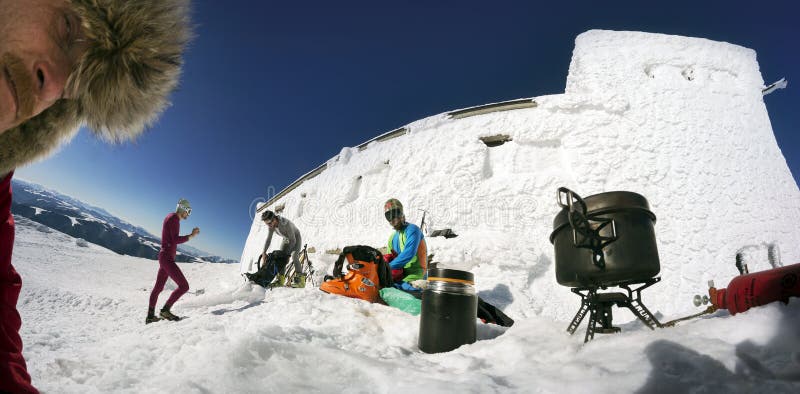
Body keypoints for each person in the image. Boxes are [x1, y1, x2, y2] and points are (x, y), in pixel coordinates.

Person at [0, 0, 191, 392]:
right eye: (68, 27)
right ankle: (156, 312)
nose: (52, 88)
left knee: (166, 285)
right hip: (165, 256)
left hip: (164, 257)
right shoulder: (172, 222)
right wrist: (184, 242)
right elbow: (168, 242)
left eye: (71, 89)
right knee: (177, 286)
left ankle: (155, 311)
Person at [146, 199, 200, 323]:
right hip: (167, 258)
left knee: (158, 288)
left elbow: (171, 239)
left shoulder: (170, 217)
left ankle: (150, 316)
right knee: (184, 286)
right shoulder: (174, 219)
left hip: (164, 257)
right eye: (188, 211)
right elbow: (175, 240)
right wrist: (191, 235)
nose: (188, 214)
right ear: (183, 209)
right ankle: (165, 310)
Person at [384, 198, 427, 291]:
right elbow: (390, 258)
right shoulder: (392, 238)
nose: (392, 219)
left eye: (395, 214)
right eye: (388, 216)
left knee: (397, 290)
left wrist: (386, 267)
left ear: (402, 214)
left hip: (416, 275)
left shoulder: (412, 229)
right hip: (400, 277)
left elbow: (409, 253)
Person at [260, 210, 305, 288]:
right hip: (286, 238)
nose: (269, 225)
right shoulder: (271, 226)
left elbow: (293, 240)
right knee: (280, 257)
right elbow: (268, 239)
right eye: (266, 224)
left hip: (295, 237)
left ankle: (301, 281)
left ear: (274, 219)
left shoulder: (286, 224)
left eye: (270, 223)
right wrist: (264, 252)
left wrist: (287, 255)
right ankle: (280, 280)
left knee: (294, 256)